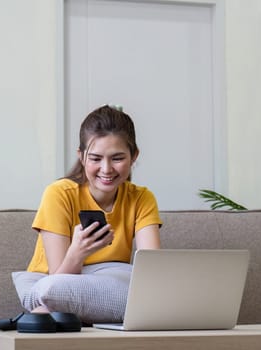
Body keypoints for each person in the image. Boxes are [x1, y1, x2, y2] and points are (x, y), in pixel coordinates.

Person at [12, 105, 162, 324]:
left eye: (117, 158)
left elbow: (152, 271)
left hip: (109, 282)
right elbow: (58, 280)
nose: (106, 169)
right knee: (54, 292)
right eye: (95, 158)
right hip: (62, 277)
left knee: (154, 288)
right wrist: (78, 253)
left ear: (134, 156)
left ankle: (57, 316)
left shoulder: (141, 198)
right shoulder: (60, 194)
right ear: (81, 157)